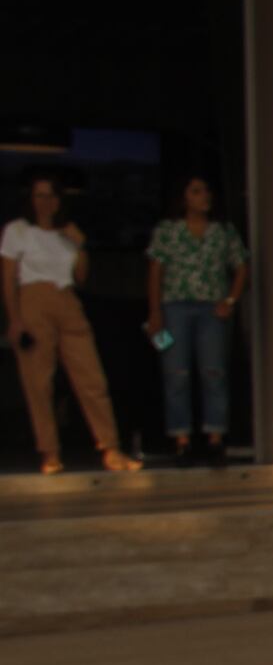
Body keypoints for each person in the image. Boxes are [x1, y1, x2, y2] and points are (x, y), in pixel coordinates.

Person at [3, 174, 141, 474]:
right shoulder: (18, 230)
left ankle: (110, 448)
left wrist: (80, 246)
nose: (45, 201)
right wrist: (14, 319)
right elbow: (8, 276)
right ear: (30, 199)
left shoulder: (67, 234)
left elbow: (81, 277)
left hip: (67, 299)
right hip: (33, 298)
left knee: (91, 377)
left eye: (51, 195)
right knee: (39, 382)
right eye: (39, 195)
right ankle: (49, 453)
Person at [145, 175, 249, 465]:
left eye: (206, 191)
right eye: (196, 191)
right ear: (184, 197)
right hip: (175, 307)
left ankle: (215, 438)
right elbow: (155, 270)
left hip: (211, 309)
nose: (204, 197)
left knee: (213, 372)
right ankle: (182, 439)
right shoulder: (168, 231)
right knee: (176, 373)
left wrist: (230, 299)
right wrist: (155, 312)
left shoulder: (222, 232)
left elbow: (241, 265)